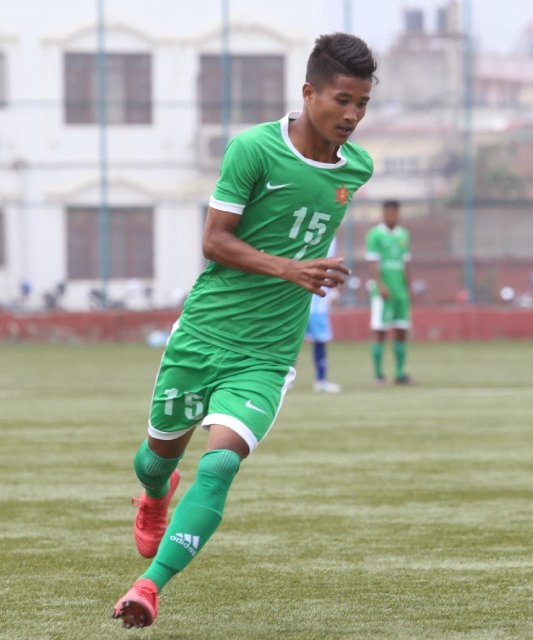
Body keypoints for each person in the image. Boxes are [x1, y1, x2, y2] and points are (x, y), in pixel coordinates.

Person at [112, 33, 376, 629]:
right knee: (156, 460)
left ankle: (148, 589)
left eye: (362, 104)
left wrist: (305, 271)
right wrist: (292, 268)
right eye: (342, 100)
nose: (352, 116)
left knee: (221, 466)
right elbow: (214, 241)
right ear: (308, 93)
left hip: (267, 354)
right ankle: (155, 495)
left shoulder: (357, 168)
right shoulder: (254, 149)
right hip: (203, 334)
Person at [366, 200, 413, 384]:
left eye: (395, 213)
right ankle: (378, 374)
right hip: (383, 292)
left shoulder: (403, 235)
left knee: (401, 329)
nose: (392, 216)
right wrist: (381, 286)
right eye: (389, 212)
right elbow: (372, 262)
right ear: (383, 214)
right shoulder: (375, 235)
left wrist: (408, 289)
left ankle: (400, 373)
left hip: (400, 292)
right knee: (380, 331)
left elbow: (406, 263)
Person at [306, 237, 342, 393]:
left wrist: (333, 291)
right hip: (306, 296)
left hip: (317, 298)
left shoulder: (332, 238)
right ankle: (320, 381)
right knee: (292, 340)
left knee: (319, 339)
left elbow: (331, 267)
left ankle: (321, 380)